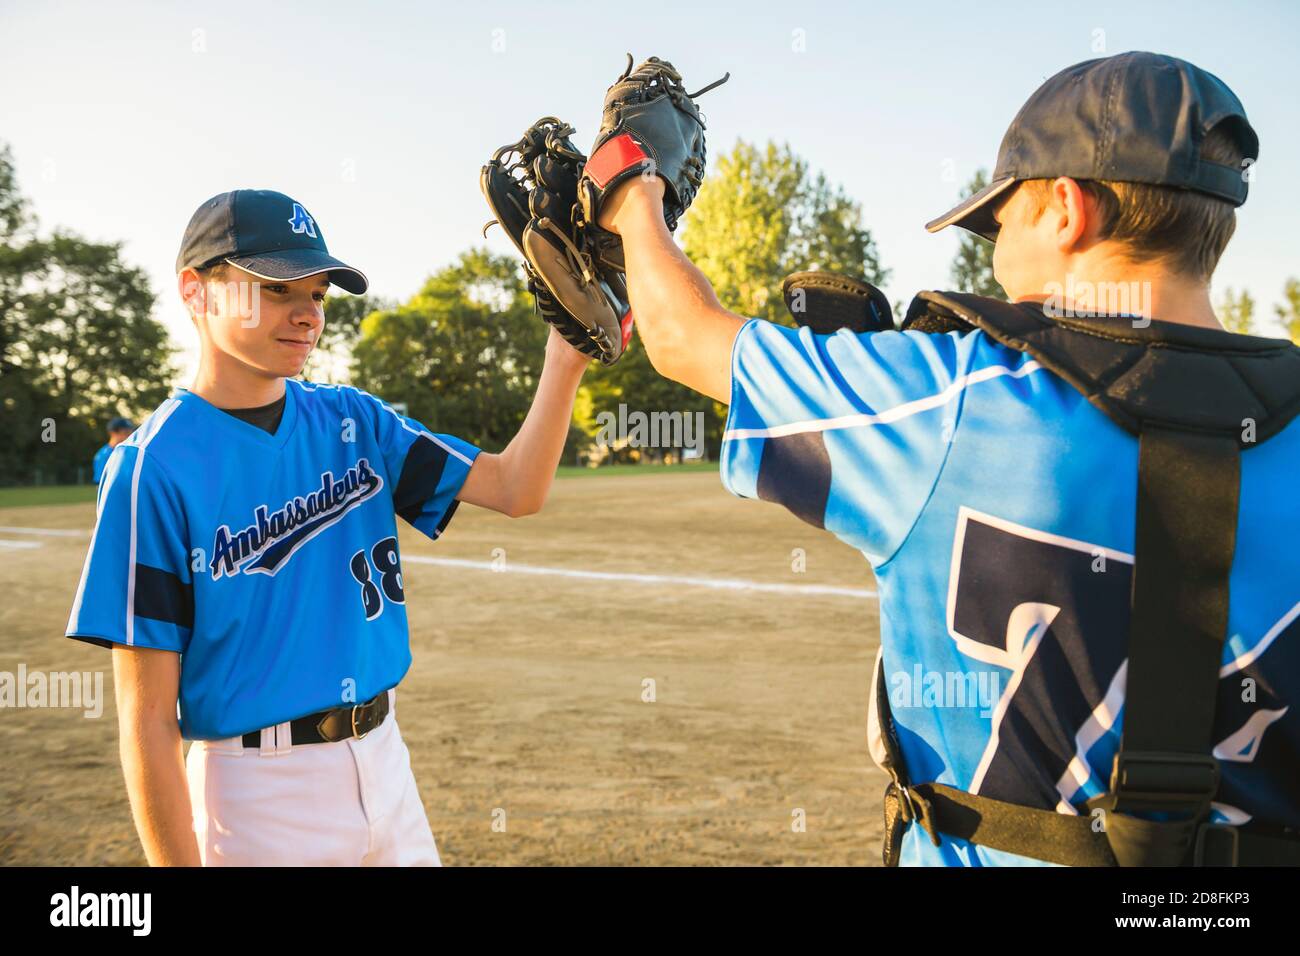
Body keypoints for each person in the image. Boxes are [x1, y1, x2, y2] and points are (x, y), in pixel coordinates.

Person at [594, 52, 1300, 865]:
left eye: (1003, 222)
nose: (994, 249)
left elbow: (681, 335)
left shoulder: (947, 395)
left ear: (1067, 210)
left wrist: (630, 179)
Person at [65, 189, 591, 866]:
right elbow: (145, 724)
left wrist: (565, 354)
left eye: (318, 294)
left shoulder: (354, 420)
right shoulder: (152, 466)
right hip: (257, 797)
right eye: (279, 288)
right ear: (196, 293)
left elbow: (517, 488)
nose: (307, 315)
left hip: (386, 762)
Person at [91, 417, 134, 484]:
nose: (130, 435)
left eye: (130, 432)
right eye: (125, 432)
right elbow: (100, 483)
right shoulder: (104, 454)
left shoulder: (129, 451)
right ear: (113, 433)